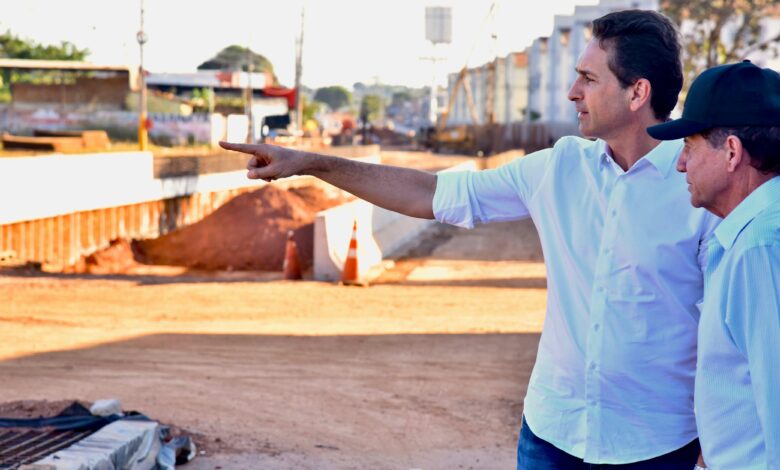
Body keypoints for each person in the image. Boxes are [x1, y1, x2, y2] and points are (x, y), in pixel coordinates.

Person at [221, 9, 718, 469]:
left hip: (656, 446)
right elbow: (431, 193)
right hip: (551, 434)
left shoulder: (702, 192)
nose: (572, 92)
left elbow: (727, 330)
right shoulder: (559, 167)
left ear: (637, 93)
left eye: (588, 78)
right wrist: (312, 163)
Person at [647, 61, 780, 470]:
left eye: (689, 146)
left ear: (732, 152)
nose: (680, 164)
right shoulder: (747, 233)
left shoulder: (760, 246)